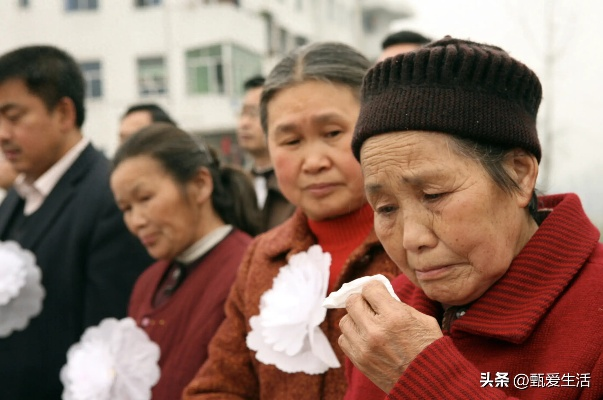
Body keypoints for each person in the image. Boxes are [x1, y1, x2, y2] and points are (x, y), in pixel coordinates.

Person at [339, 36, 603, 399]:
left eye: (433, 195)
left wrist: (425, 378)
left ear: (519, 173)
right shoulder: (383, 322)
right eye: (386, 208)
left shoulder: (594, 319)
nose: (410, 239)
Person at [183, 42, 400, 400]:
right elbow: (218, 386)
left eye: (332, 133)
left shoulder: (420, 245)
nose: (313, 161)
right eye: (291, 140)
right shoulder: (264, 257)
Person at [0, 45, 152, 399]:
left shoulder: (108, 197)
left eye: (14, 116)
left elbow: (108, 345)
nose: (3, 134)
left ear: (64, 113)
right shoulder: (18, 198)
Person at [110, 122, 260, 399]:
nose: (136, 221)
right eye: (126, 208)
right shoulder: (148, 281)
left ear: (200, 185)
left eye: (145, 198)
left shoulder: (250, 269)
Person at [237, 75, 295, 232]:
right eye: (242, 113)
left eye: (253, 113)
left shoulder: (296, 184)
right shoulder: (238, 184)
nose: (244, 123)